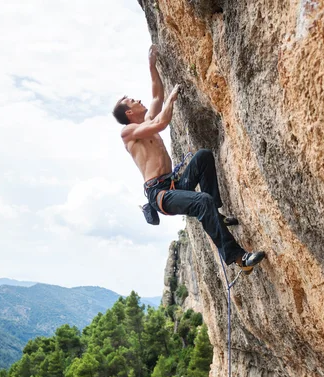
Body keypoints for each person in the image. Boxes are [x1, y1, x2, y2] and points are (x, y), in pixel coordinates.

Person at [112, 45, 265, 274]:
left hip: (174, 184)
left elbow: (156, 95)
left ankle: (217, 215)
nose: (139, 100)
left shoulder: (147, 122)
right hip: (161, 195)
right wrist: (172, 101)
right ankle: (239, 258)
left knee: (203, 156)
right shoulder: (129, 133)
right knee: (202, 201)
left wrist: (152, 66)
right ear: (128, 113)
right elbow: (162, 122)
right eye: (133, 101)